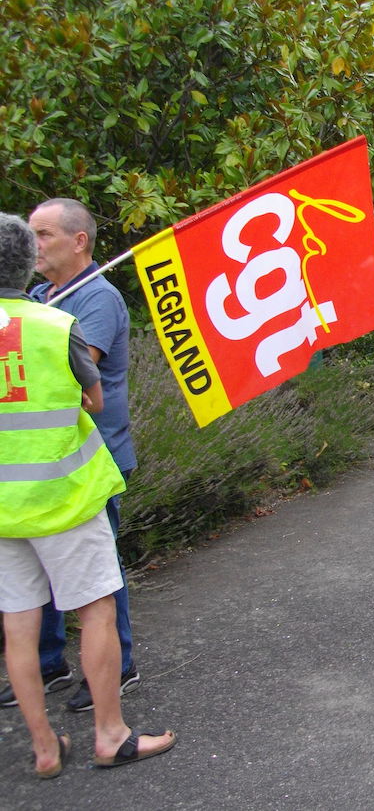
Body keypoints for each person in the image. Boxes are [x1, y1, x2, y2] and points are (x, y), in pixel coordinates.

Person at [0, 213, 176, 776]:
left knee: (18, 624)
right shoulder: (53, 325)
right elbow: (91, 400)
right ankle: (110, 733)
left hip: (5, 507)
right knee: (96, 606)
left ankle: (45, 749)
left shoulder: (82, 303)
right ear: (25, 259)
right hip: (65, 497)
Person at [16, 198, 140, 715]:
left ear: (79, 241)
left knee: (99, 571)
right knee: (34, 568)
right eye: (31, 234)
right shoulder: (43, 295)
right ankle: (49, 664)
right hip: (40, 459)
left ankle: (119, 665)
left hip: (92, 458)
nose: (34, 244)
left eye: (44, 234)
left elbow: (70, 371)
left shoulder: (98, 299)